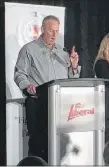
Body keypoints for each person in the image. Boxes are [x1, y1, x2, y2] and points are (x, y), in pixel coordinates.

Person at [14, 15, 80, 162]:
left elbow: (71, 79)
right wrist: (27, 85)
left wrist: (74, 66)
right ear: (42, 29)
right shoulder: (29, 49)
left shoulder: (63, 53)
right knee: (39, 144)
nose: (54, 35)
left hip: (60, 105)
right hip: (38, 103)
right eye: (51, 31)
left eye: (57, 31)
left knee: (60, 144)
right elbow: (19, 74)